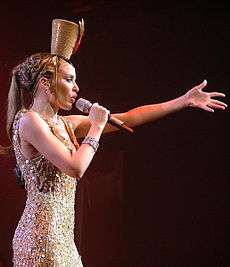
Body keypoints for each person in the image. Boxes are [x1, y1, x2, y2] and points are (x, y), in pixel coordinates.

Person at [0, 19, 227, 267]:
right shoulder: (29, 121)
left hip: (62, 236)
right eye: (69, 80)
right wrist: (96, 127)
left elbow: (129, 117)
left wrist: (182, 101)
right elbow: (75, 167)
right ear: (45, 84)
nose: (76, 88)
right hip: (40, 238)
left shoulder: (66, 124)